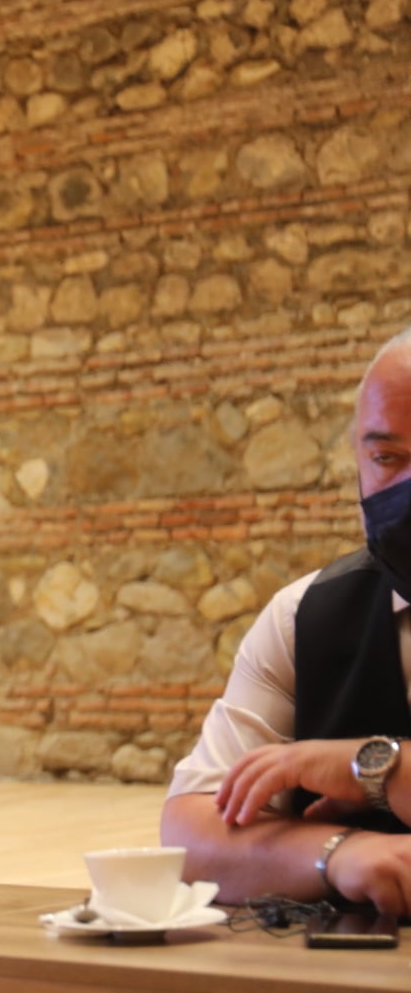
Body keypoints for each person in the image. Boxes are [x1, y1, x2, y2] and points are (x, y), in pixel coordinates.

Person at [163, 330, 411, 917]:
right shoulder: (306, 617)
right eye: (386, 459)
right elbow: (192, 831)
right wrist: (340, 854)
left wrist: (374, 768)